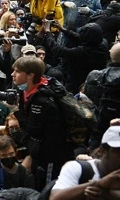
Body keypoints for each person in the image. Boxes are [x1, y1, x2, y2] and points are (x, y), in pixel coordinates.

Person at [11, 56, 75, 190]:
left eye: (17, 71)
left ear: (30, 75)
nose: (13, 74)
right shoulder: (26, 92)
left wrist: (16, 111)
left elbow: (32, 129)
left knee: (47, 189)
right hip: (39, 153)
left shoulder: (42, 100)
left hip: (52, 155)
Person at [51, 124, 120, 200]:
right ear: (103, 151)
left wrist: (108, 195)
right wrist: (96, 185)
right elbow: (54, 198)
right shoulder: (79, 168)